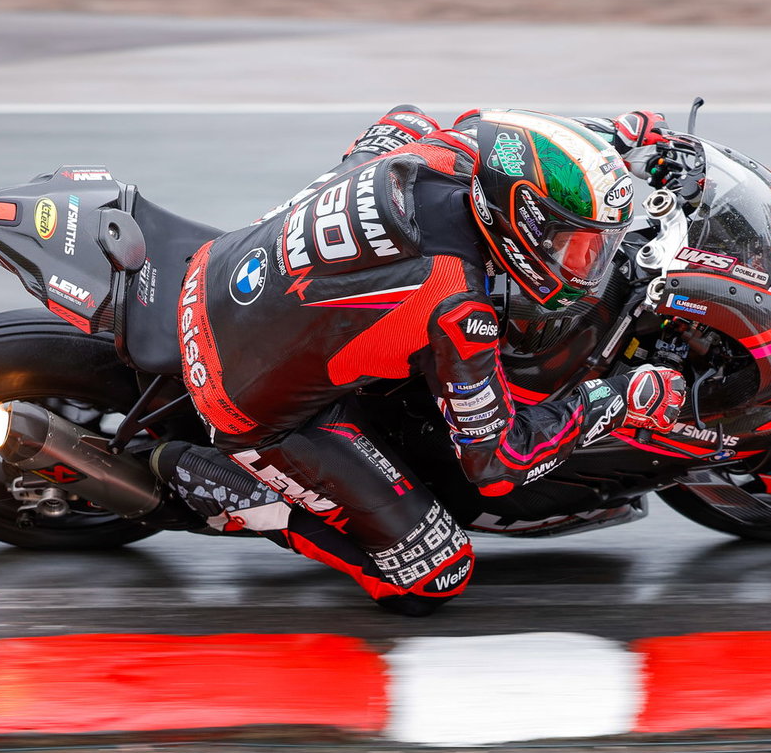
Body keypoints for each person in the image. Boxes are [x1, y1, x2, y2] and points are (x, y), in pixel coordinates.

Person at [151, 107, 689, 616]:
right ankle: (228, 489)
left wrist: (610, 142)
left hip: (219, 265)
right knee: (432, 575)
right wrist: (617, 400)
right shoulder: (457, 307)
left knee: (404, 124)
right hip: (244, 400)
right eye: (576, 245)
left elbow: (505, 136)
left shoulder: (456, 153)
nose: (589, 263)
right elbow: (498, 466)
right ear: (525, 225)